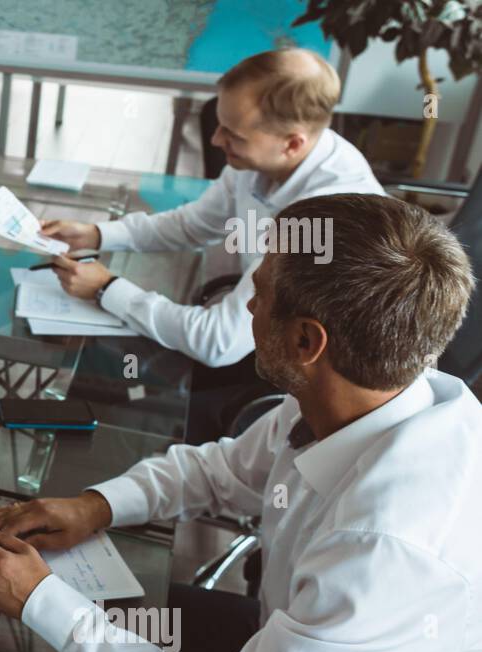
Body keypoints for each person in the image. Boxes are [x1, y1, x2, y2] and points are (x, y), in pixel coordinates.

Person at [0, 193, 482, 652]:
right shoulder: (362, 390)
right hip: (287, 644)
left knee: (73, 619)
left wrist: (43, 602)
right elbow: (224, 471)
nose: (247, 308)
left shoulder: (396, 547)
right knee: (117, 608)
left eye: (258, 292)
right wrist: (96, 505)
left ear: (307, 340)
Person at [42, 49, 382, 440]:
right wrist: (99, 234)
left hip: (299, 388)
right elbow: (194, 224)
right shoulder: (273, 158)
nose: (216, 140)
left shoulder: (323, 216)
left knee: (114, 387)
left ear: (292, 143)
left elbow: (215, 343)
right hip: (253, 332)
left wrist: (106, 288)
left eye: (233, 135)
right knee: (104, 363)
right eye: (220, 125)